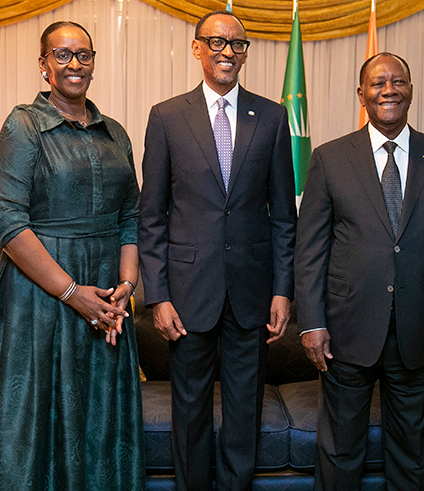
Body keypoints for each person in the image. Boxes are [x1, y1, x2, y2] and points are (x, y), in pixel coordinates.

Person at [0, 21, 145, 490]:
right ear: (44, 65)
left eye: (83, 55)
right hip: (40, 299)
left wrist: (125, 287)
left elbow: (131, 218)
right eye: (62, 55)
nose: (74, 64)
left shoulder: (114, 132)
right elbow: (4, 220)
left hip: (107, 303)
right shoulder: (23, 125)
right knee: (37, 416)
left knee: (99, 414)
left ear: (94, 62)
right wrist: (70, 292)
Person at [295, 52, 424, 490]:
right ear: (362, 94)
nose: (388, 90)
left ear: (411, 91)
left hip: (419, 330)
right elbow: (310, 249)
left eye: (398, 82)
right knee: (340, 450)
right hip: (346, 329)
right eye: (378, 83)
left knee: (412, 452)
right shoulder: (330, 158)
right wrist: (312, 322)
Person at [137, 10, 296, 491]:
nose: (228, 52)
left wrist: (283, 290)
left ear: (246, 53)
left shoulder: (271, 115)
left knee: (245, 408)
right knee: (190, 409)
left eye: (238, 45)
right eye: (217, 42)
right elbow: (152, 216)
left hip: (252, 291)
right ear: (197, 48)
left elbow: (283, 215)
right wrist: (157, 295)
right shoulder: (166, 116)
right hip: (187, 293)